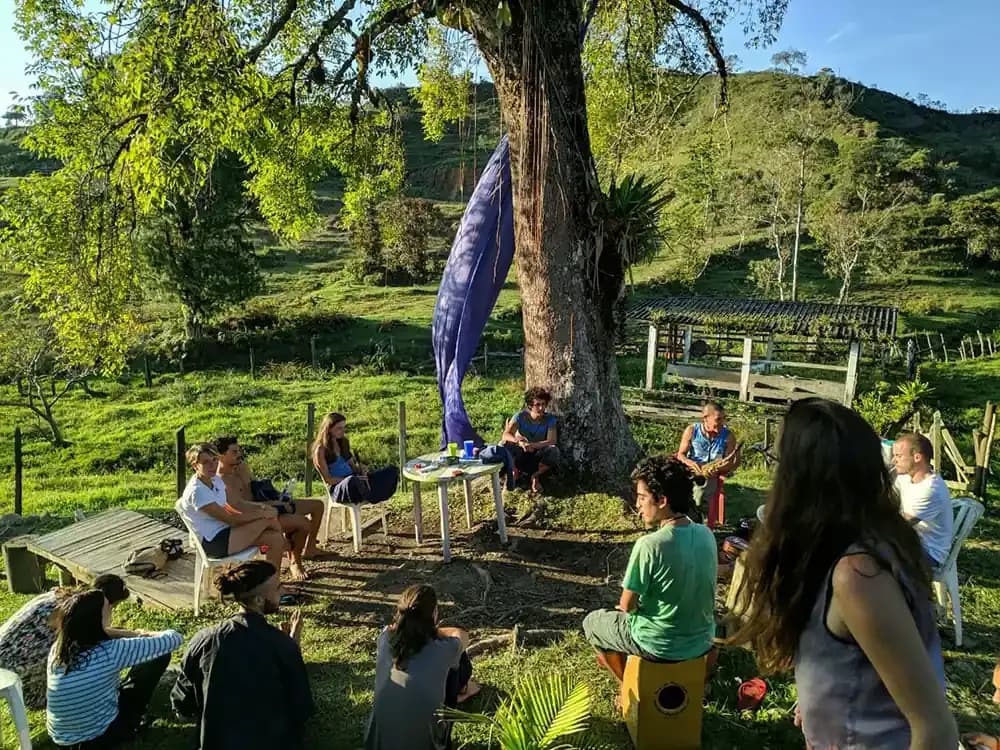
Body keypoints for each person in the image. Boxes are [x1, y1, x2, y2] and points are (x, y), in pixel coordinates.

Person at [732, 398, 958, 750]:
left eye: (781, 465)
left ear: (802, 479)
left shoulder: (858, 576)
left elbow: (936, 731)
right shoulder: (838, 547)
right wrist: (823, 704)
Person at [582, 456, 717, 682]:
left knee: (593, 623)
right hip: (702, 641)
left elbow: (627, 605)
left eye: (642, 498)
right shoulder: (706, 534)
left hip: (657, 645)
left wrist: (632, 610)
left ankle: (626, 685)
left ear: (662, 500)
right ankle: (702, 682)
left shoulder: (650, 545)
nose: (637, 506)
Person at [171, 561, 314, 750]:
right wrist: (292, 649)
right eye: (278, 587)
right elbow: (302, 708)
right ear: (258, 600)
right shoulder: (281, 645)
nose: (283, 591)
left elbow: (183, 702)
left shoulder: (205, 640)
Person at [46, 590, 182, 748]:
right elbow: (174, 638)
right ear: (97, 620)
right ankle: (131, 724)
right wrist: (140, 634)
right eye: (108, 608)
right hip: (99, 736)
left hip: (62, 738)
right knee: (159, 655)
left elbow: (102, 634)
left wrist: (114, 631)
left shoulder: (58, 650)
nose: (111, 609)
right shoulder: (111, 651)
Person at [365, 584, 479, 750]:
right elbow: (462, 636)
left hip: (376, 745)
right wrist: (433, 631)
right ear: (434, 614)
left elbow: (395, 629)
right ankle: (461, 691)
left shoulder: (384, 639)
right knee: (458, 661)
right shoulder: (444, 648)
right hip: (428, 746)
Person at [0, 575, 130, 710]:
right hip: (11, 663)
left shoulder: (62, 596)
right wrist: (133, 635)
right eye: (113, 606)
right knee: (85, 661)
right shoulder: (72, 611)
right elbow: (97, 635)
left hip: (6, 650)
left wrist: (126, 633)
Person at [177, 443, 288, 575]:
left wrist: (260, 507)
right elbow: (231, 520)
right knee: (268, 520)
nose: (212, 466)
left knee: (274, 538)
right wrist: (261, 513)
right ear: (195, 466)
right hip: (213, 542)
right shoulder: (198, 491)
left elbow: (227, 506)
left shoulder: (215, 480)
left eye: (214, 460)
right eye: (206, 462)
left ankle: (272, 583)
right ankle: (286, 546)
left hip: (226, 531)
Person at [215, 435, 326, 565]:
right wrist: (276, 505)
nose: (239, 454)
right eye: (234, 452)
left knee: (317, 505)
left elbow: (256, 490)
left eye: (239, 450)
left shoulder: (242, 467)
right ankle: (295, 562)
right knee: (303, 523)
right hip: (257, 517)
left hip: (269, 505)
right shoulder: (222, 481)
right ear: (220, 456)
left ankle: (310, 548)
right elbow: (241, 508)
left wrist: (278, 496)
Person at [892, 432, 954, 572]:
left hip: (929, 552)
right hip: (910, 541)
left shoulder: (930, 489)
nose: (894, 461)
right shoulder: (905, 478)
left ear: (917, 457)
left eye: (899, 456)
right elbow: (887, 500)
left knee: (872, 555)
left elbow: (899, 526)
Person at [311, 412, 399, 505]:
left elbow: (353, 467)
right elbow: (328, 480)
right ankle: (372, 496)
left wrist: (361, 470)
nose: (343, 431)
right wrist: (351, 478)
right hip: (339, 488)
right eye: (339, 428)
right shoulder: (320, 450)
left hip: (355, 481)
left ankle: (370, 492)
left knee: (392, 471)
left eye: (344, 427)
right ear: (328, 429)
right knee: (353, 481)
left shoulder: (343, 442)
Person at [676, 401, 740, 521]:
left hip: (712, 473)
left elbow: (732, 462)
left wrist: (718, 469)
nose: (722, 423)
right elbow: (680, 455)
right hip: (691, 470)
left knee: (701, 489)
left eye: (724, 419)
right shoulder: (691, 430)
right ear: (705, 418)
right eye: (718, 419)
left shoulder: (728, 436)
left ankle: (694, 515)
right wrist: (691, 463)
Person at [501, 387, 560, 493]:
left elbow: (551, 441)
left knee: (553, 450)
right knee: (504, 446)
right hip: (522, 452)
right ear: (530, 406)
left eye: (544, 404)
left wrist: (531, 445)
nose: (541, 408)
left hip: (538, 453)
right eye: (538, 405)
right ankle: (513, 473)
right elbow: (506, 435)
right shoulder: (520, 417)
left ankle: (535, 476)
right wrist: (519, 442)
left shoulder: (550, 419)